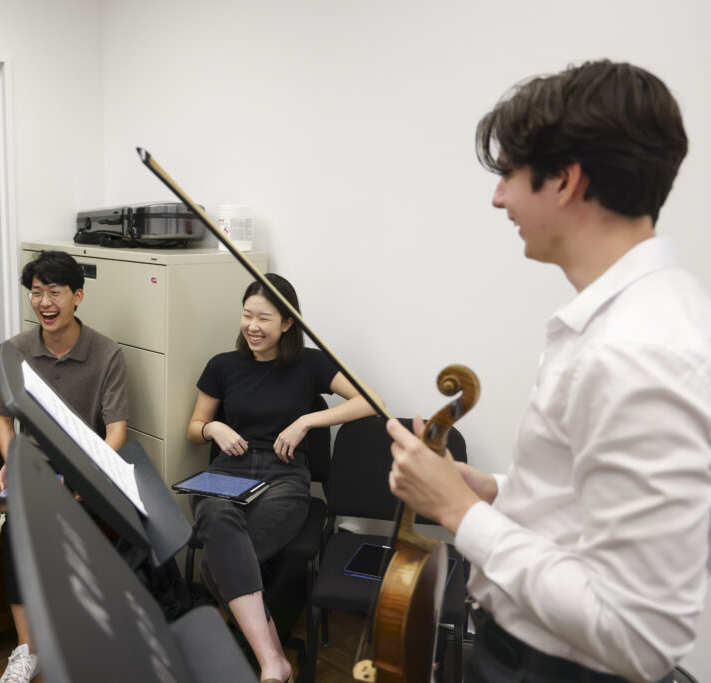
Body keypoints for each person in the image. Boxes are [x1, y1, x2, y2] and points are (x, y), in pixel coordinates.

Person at [386, 60, 711, 683]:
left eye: (509, 174)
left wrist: (461, 514)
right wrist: (493, 492)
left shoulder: (637, 351)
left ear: (564, 180)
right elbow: (591, 504)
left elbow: (637, 634)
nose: (498, 196)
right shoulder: (628, 320)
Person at [186, 273, 379, 683]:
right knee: (216, 518)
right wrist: (212, 430)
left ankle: (270, 660)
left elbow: (371, 402)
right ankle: (273, 660)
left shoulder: (310, 363)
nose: (252, 326)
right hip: (227, 470)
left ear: (288, 323)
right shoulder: (222, 366)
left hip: (284, 475)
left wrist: (307, 420)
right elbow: (195, 424)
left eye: (264, 318)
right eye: (246, 315)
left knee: (218, 564)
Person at [0, 250, 128, 683]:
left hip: (84, 473)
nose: (44, 302)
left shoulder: (106, 354)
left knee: (38, 520)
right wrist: (14, 458)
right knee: (22, 527)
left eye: (55, 292)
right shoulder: (14, 351)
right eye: (37, 292)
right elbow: (2, 421)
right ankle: (28, 651)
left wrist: (86, 474)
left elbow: (117, 432)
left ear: (78, 296)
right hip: (33, 466)